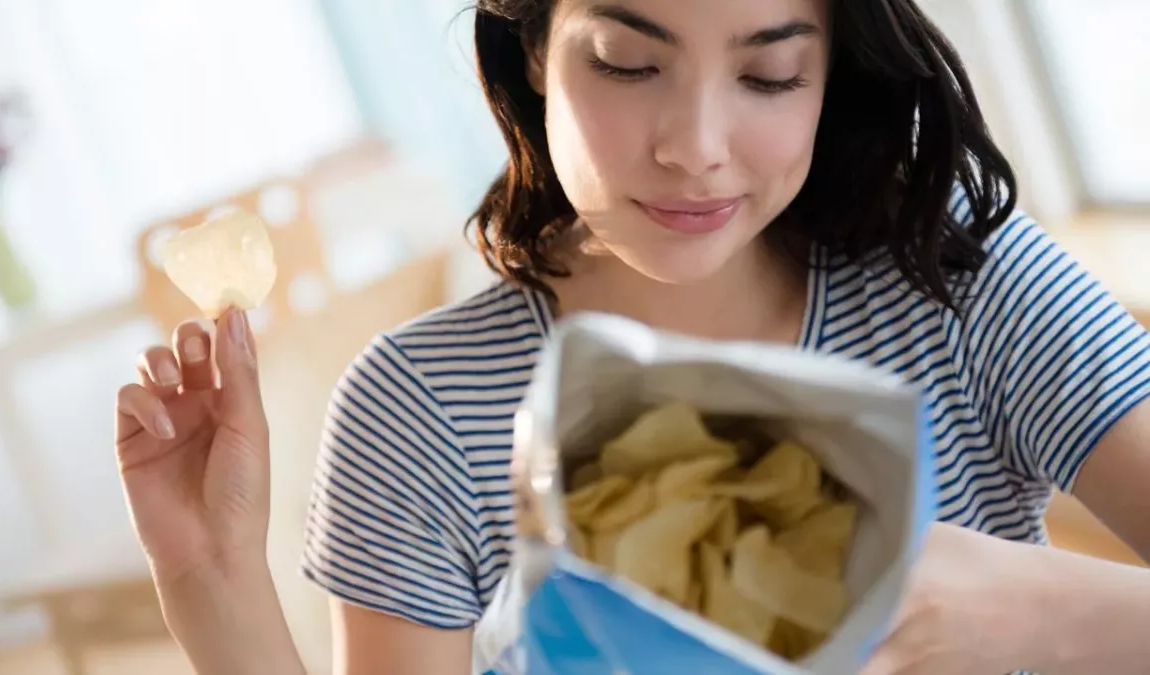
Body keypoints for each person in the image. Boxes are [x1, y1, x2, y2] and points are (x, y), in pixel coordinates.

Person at [114, 0, 1150, 673]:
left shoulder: (959, 281)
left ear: (833, 72)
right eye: (625, 63)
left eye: (770, 75)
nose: (694, 148)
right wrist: (210, 576)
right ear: (529, 50)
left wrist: (1036, 604)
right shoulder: (419, 404)